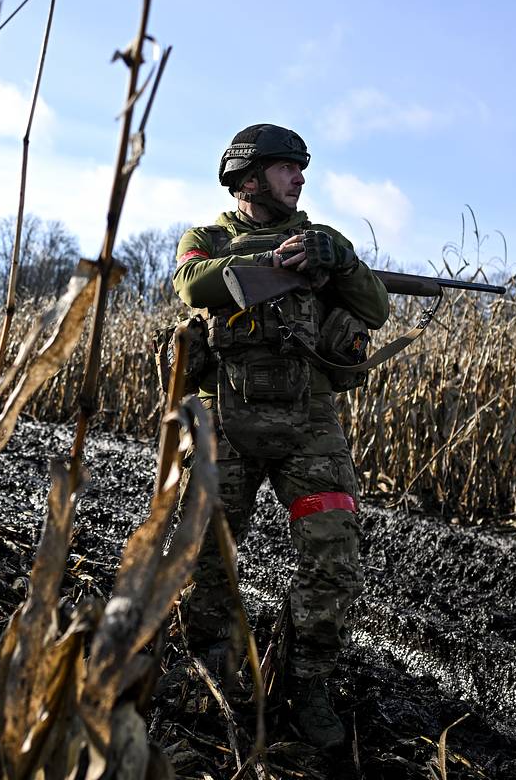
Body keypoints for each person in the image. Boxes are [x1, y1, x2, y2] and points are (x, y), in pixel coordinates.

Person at [172, 123, 390, 750]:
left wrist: (337, 260)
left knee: (334, 562)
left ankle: (309, 686)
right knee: (205, 556)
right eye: (287, 167)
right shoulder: (209, 238)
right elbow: (194, 283)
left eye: (302, 168)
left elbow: (374, 308)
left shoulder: (323, 243)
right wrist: (272, 263)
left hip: (310, 426)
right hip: (226, 423)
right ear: (248, 176)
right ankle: (208, 671)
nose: (299, 177)